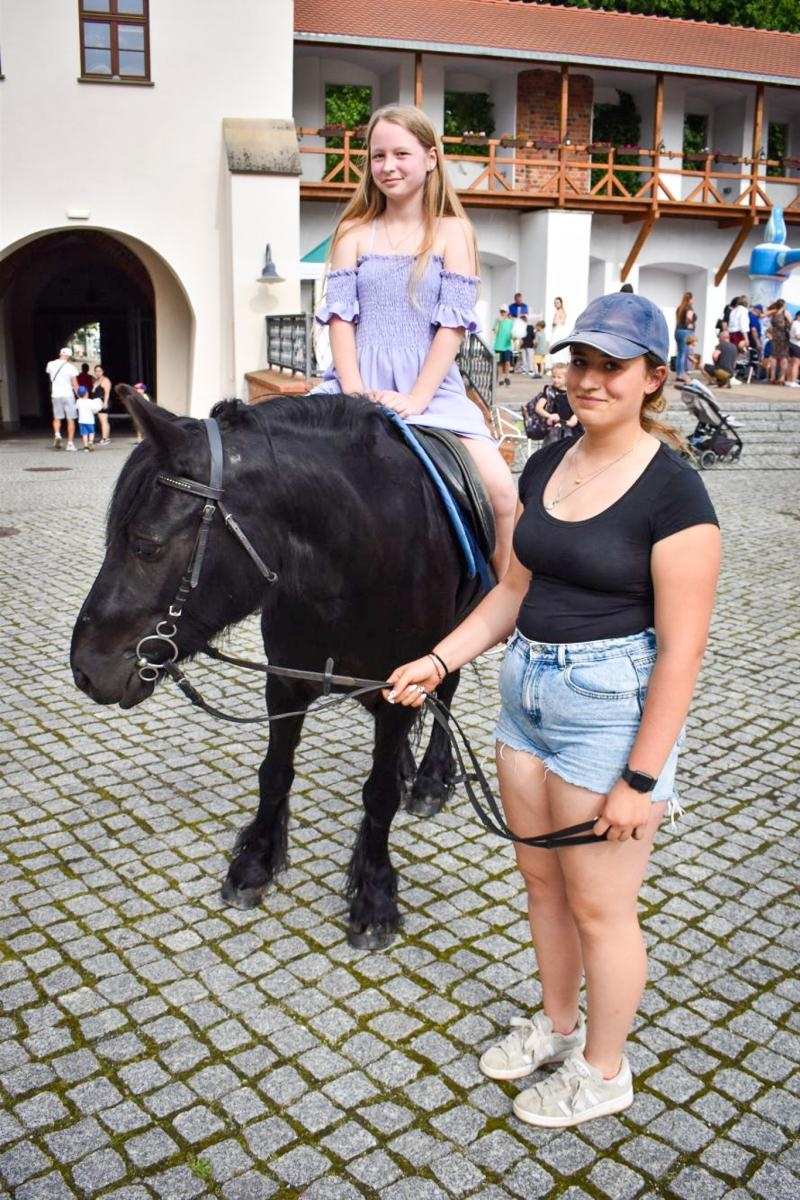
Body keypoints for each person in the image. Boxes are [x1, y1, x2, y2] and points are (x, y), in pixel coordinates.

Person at [385, 291, 720, 1129]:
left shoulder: (677, 496)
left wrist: (642, 777)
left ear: (654, 379)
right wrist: (437, 660)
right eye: (581, 361)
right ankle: (560, 1024)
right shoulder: (546, 462)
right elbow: (512, 590)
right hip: (525, 695)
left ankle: (604, 1070)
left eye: (613, 366)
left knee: (601, 907)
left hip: (609, 708)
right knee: (541, 885)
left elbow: (682, 651)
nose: (590, 379)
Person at [311, 104, 517, 576]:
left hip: (432, 387)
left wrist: (418, 398)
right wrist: (354, 391)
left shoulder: (453, 233)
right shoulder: (353, 233)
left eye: (401, 153)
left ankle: (505, 590)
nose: (388, 166)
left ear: (430, 158)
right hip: (353, 380)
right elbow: (340, 319)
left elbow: (453, 326)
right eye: (378, 155)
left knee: (503, 491)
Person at [532, 362, 580, 446]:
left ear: (567, 378)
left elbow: (579, 407)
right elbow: (538, 408)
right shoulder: (549, 391)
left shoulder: (572, 392)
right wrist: (549, 415)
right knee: (553, 450)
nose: (555, 380)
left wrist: (575, 416)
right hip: (554, 429)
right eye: (553, 377)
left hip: (570, 427)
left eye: (559, 377)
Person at [45, 347, 79, 450]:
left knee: (57, 417)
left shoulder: (50, 364)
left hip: (56, 395)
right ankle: (70, 444)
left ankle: (57, 434)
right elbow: (75, 384)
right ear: (69, 356)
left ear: (60, 354)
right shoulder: (71, 367)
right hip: (68, 394)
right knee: (70, 419)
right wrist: (80, 397)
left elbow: (49, 374)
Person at [766, 299, 791, 384]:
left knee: (774, 357)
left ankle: (772, 377)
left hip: (775, 337)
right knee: (784, 357)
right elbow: (791, 324)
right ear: (784, 305)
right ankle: (782, 377)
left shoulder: (774, 313)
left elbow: (765, 315)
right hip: (783, 337)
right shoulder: (785, 313)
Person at [673, 291, 696, 383]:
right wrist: (691, 325)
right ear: (690, 299)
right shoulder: (689, 307)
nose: (694, 300)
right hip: (685, 332)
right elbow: (689, 318)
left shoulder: (680, 308)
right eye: (693, 298)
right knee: (684, 354)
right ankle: (682, 374)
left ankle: (678, 373)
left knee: (679, 353)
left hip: (678, 331)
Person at [493, 307, 515, 388]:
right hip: (498, 346)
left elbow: (513, 333)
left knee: (507, 362)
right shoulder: (497, 320)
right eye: (501, 311)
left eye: (504, 311)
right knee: (499, 364)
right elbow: (494, 331)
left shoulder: (511, 322)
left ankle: (506, 377)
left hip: (507, 346)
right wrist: (498, 323)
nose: (502, 313)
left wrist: (513, 337)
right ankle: (501, 379)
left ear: (507, 312)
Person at [75, 385, 102, 451]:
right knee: (91, 432)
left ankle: (85, 446)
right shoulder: (90, 401)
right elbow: (94, 410)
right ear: (87, 393)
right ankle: (90, 442)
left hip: (81, 421)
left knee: (84, 434)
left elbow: (75, 408)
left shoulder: (78, 401)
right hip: (90, 421)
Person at [92, 364, 112, 444]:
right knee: (101, 420)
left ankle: (105, 439)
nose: (98, 373)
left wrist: (105, 403)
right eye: (96, 371)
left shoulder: (105, 380)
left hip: (103, 402)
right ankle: (105, 437)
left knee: (104, 420)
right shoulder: (96, 380)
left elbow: (107, 393)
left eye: (99, 371)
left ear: (103, 371)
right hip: (97, 403)